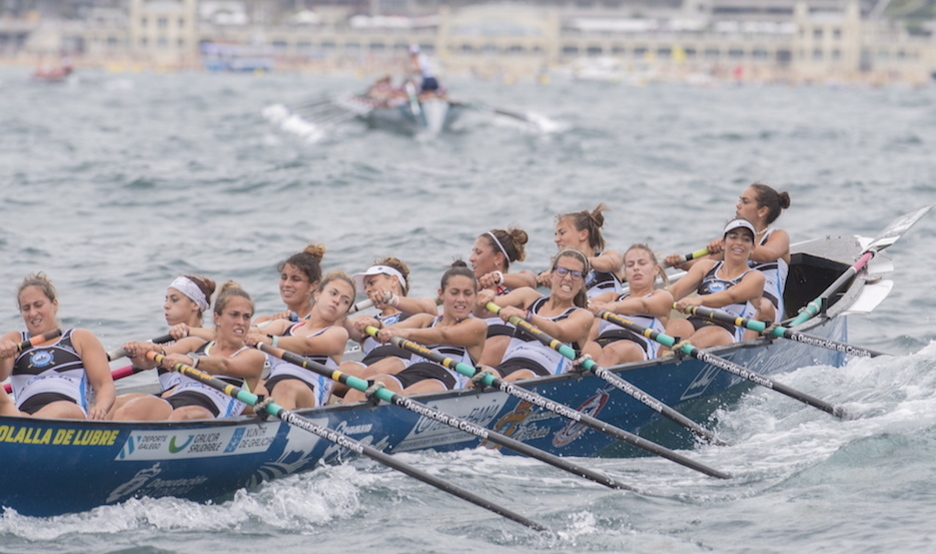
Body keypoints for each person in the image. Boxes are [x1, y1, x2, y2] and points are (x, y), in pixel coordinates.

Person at [114, 282, 266, 421]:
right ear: (217, 318)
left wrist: (192, 361)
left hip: (211, 412)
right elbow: (156, 357)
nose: (241, 322)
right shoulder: (196, 344)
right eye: (234, 315)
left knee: (182, 415)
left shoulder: (253, 356)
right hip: (174, 400)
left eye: (247, 317)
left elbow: (223, 365)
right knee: (132, 408)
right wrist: (140, 351)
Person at [343, 261, 486, 401]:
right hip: (410, 373)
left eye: (467, 294)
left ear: (475, 296)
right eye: (454, 293)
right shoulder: (425, 320)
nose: (461, 299)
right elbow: (390, 330)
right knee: (359, 391)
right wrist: (378, 325)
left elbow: (443, 335)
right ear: (441, 294)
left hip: (443, 380)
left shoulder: (477, 325)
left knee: (406, 396)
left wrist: (406, 334)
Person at [665, 183, 791, 322]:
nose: (738, 205)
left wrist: (732, 245)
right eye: (740, 200)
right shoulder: (731, 242)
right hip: (733, 299)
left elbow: (768, 255)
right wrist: (680, 263)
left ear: (762, 211)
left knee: (759, 306)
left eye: (745, 202)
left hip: (764, 302)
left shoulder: (778, 235)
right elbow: (702, 266)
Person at [0, 273, 114, 420]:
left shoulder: (79, 338)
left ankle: (28, 425)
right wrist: (2, 357)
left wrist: (100, 408)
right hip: (22, 414)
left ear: (54, 304)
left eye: (38, 305)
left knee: (58, 409)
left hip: (67, 409)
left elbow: (104, 385)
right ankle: (27, 424)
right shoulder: (14, 339)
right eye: (26, 308)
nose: (33, 313)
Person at [106, 274, 216, 418]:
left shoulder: (207, 340)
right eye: (166, 299)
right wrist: (134, 354)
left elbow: (224, 335)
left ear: (195, 305)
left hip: (193, 405)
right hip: (168, 400)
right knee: (111, 405)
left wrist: (188, 331)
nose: (166, 305)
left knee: (130, 411)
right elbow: (147, 364)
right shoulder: (164, 344)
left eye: (174, 300)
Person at [246, 271, 356, 410]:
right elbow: (257, 332)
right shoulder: (284, 325)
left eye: (345, 301)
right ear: (317, 294)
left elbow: (306, 345)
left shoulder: (338, 333)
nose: (337, 301)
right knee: (253, 388)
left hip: (307, 395)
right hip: (272, 385)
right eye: (333, 293)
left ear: (345, 311)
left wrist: (268, 340)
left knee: (285, 387)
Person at [481, 249, 594, 382]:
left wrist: (528, 317)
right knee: (483, 371)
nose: (568, 278)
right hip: (507, 366)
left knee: (520, 375)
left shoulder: (583, 315)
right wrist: (486, 296)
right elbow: (482, 312)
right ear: (551, 275)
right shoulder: (528, 296)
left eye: (576, 274)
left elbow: (560, 332)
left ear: (583, 282)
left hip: (542, 376)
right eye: (562, 271)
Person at [333, 258, 438, 397]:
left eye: (372, 283)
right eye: (365, 287)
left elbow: (430, 309)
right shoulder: (367, 320)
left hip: (402, 364)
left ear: (394, 280)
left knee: (376, 370)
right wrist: (336, 311)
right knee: (335, 372)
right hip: (367, 366)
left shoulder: (419, 309)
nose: (367, 290)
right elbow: (346, 327)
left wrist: (392, 299)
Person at [664, 219, 766, 350]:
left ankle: (682, 352)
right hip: (695, 320)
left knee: (709, 334)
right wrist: (647, 299)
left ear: (752, 248)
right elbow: (674, 292)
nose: (739, 243)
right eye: (733, 237)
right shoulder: (705, 266)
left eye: (746, 239)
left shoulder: (755, 277)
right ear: (723, 244)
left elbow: (731, 296)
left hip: (727, 330)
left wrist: (699, 300)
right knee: (675, 326)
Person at [586, 244, 674, 365]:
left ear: (655, 269)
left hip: (637, 347)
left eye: (642, 263)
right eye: (630, 265)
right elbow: (584, 303)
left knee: (611, 351)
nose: (636, 268)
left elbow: (643, 305)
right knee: (584, 350)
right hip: (602, 343)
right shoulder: (612, 297)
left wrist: (613, 307)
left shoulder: (662, 296)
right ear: (625, 273)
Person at [468, 227, 537, 367]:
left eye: (478, 252)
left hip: (503, 343)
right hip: (471, 343)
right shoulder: (469, 290)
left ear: (498, 258)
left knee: (499, 343)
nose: (471, 258)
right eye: (473, 251)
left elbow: (530, 281)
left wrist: (498, 277)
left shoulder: (518, 285)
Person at [537, 203, 624, 298]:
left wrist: (577, 263)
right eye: (556, 235)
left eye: (562, 233)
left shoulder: (608, 256)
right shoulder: (561, 273)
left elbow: (613, 262)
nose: (556, 239)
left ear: (583, 235)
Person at [254, 242, 326, 326]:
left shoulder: (323, 322)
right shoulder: (264, 321)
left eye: (296, 279)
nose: (286, 284)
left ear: (313, 285)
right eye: (284, 277)